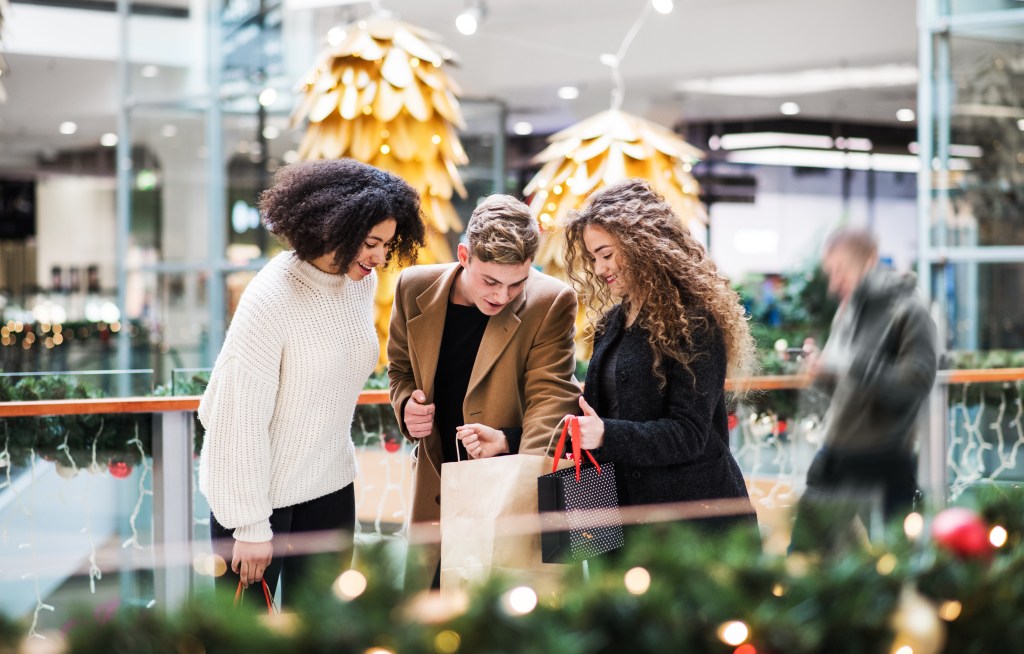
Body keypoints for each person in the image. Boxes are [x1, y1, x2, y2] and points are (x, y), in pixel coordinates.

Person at [198, 159, 425, 606]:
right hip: (259, 504)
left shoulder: (358, 283)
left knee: (328, 634)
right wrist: (249, 525)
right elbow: (234, 418)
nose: (380, 257)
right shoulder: (271, 296)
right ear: (332, 227)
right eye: (371, 242)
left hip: (330, 489)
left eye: (387, 243)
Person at [387, 194, 580, 589]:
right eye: (490, 281)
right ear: (464, 255)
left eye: (516, 283)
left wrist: (515, 462)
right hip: (436, 489)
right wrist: (406, 404)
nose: (501, 296)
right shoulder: (413, 287)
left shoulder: (550, 302)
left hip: (507, 491)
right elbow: (400, 369)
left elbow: (551, 401)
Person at [562, 178, 758, 540]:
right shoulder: (613, 323)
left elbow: (689, 434)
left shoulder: (695, 320)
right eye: (594, 258)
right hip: (628, 523)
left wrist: (606, 434)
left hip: (695, 529)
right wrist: (508, 440)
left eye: (606, 253)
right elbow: (592, 415)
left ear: (640, 245)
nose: (600, 268)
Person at [790, 227, 937, 552]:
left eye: (841, 271)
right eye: (831, 273)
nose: (834, 283)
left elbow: (914, 386)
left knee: (898, 564)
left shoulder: (911, 311)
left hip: (885, 459)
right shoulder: (848, 311)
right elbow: (847, 385)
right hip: (836, 456)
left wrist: (851, 364)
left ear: (869, 262)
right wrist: (823, 371)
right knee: (805, 556)